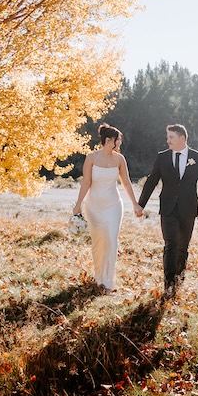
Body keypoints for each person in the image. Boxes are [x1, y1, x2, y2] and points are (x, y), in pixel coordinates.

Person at [136, 124, 198, 297]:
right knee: (171, 245)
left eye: (171, 137)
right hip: (168, 208)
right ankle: (169, 285)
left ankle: (179, 281)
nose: (167, 140)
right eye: (167, 137)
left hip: (188, 209)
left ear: (182, 138)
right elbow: (152, 181)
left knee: (183, 247)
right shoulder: (162, 157)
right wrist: (141, 205)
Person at [73, 124, 143, 292]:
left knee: (111, 240)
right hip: (93, 207)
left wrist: (135, 203)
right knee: (98, 243)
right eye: (118, 140)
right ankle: (99, 278)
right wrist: (78, 204)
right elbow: (86, 183)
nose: (120, 143)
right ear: (109, 140)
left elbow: (126, 183)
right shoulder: (91, 158)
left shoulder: (119, 159)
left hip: (113, 206)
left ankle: (108, 283)